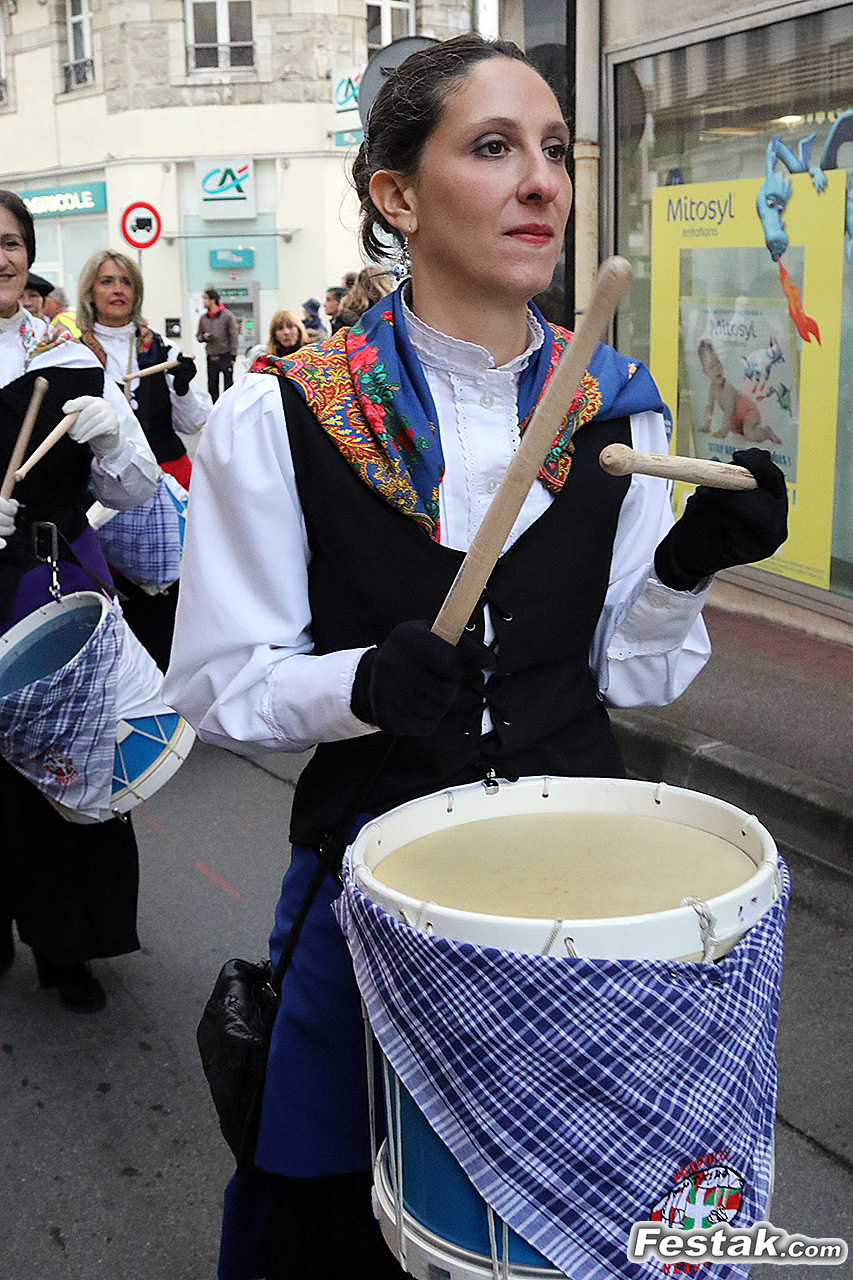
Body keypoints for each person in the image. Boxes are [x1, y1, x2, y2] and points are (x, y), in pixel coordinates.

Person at [163, 35, 788, 1280]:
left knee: (591, 1223)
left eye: (554, 149)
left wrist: (684, 566)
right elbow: (218, 683)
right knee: (329, 1216)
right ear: (396, 194)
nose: (542, 179)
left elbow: (631, 672)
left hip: (590, 896)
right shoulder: (284, 412)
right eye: (494, 147)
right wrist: (357, 683)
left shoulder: (616, 405)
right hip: (372, 892)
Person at [0, 190, 160, 1013]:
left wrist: (110, 435)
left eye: (8, 241)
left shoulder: (68, 356)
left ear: (28, 255)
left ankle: (66, 946)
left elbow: (133, 489)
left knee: (72, 755)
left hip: (55, 580)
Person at [76, 249, 211, 668]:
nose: (118, 290)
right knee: (125, 597)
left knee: (181, 594)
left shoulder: (159, 348)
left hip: (170, 484)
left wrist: (182, 386)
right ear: (90, 292)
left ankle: (184, 674)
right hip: (104, 495)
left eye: (126, 281)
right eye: (106, 281)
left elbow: (195, 422)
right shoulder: (73, 353)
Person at [697, 338, 782, 444]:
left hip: (748, 412)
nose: (717, 369)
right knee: (740, 436)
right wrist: (707, 425)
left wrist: (723, 431)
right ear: (705, 372)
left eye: (718, 363)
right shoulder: (713, 387)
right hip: (736, 421)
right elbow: (709, 406)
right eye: (711, 367)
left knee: (750, 434)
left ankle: (766, 432)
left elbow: (729, 411)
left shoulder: (727, 388)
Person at [197, 287, 238, 401]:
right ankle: (214, 407)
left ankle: (228, 406)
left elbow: (234, 336)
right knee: (212, 386)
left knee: (228, 386)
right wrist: (204, 337)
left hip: (225, 355)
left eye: (205, 298)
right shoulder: (203, 318)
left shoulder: (227, 316)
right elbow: (198, 336)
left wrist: (233, 355)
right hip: (211, 356)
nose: (203, 301)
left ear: (212, 300)